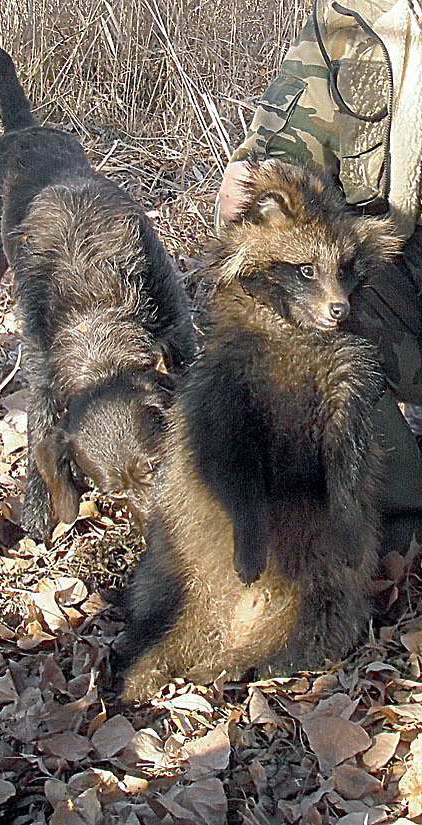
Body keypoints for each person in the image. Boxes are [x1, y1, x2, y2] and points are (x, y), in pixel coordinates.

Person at [215, 0, 422, 551]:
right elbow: (279, 149)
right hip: (396, 271)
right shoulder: (351, 23)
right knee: (297, 314)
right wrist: (263, 183)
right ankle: (397, 516)